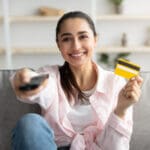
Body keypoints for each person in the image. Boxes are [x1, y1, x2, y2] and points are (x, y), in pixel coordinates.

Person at [10, 11, 143, 150]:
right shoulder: (51, 76)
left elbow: (116, 147)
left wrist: (121, 109)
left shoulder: (116, 83)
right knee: (30, 123)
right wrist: (24, 78)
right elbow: (34, 84)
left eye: (83, 37)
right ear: (58, 44)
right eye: (67, 39)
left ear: (95, 40)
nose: (76, 46)